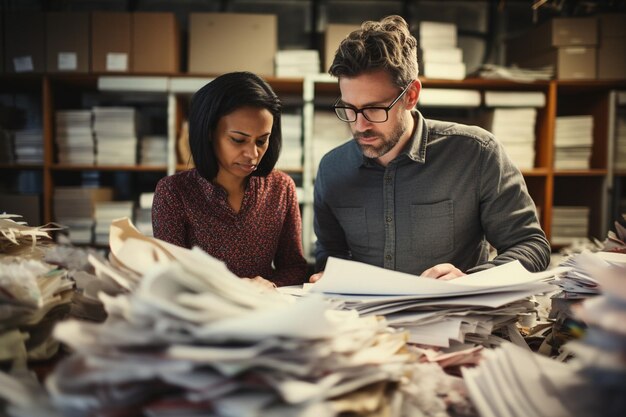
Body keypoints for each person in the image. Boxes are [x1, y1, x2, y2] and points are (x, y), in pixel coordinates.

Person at [311, 15, 550, 282]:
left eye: (373, 109)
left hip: (457, 317)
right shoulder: (332, 168)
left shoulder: (477, 153)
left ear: (411, 96)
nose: (359, 125)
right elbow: (330, 254)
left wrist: (470, 280)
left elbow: (532, 247)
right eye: (349, 109)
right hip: (366, 322)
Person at [152, 71, 308, 288]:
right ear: (209, 132)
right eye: (238, 140)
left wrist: (267, 284)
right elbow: (169, 275)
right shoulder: (173, 192)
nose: (252, 154)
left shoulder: (281, 188)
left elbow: (295, 267)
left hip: (264, 310)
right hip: (200, 313)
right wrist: (233, 288)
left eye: (262, 141)